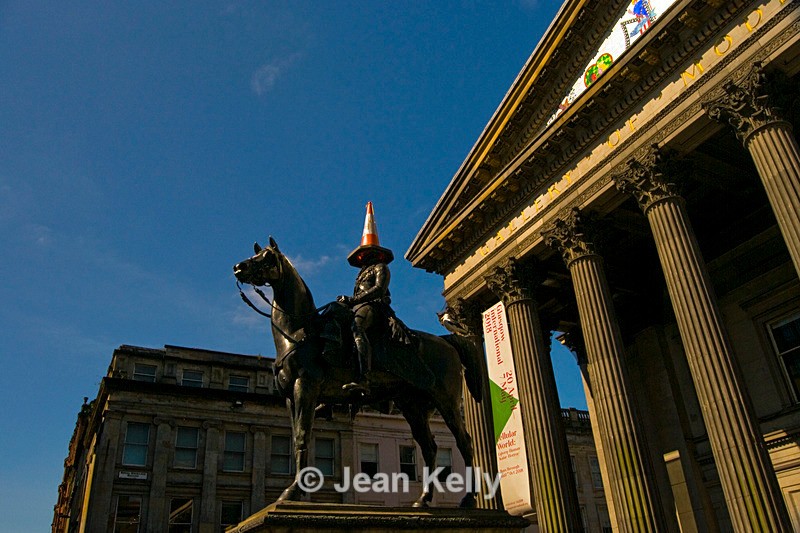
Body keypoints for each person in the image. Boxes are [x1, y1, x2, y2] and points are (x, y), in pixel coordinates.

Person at [337, 202, 394, 395]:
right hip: (358, 306)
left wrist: (353, 301)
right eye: (363, 253)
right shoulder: (360, 275)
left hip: (375, 307)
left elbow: (379, 289)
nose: (364, 257)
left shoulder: (381, 268)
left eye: (367, 253)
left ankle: (365, 378)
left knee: (357, 327)